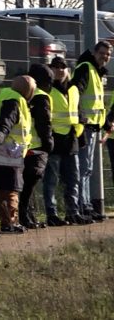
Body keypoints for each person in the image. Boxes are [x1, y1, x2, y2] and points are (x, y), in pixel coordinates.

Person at [0, 75, 36, 234]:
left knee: (5, 189)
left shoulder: (9, 97)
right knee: (11, 189)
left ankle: (8, 222)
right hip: (7, 152)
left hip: (4, 151)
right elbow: (6, 122)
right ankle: (10, 223)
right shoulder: (16, 102)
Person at [45, 56, 90, 226]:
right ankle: (52, 213)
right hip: (55, 140)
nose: (60, 70)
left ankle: (73, 212)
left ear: (67, 70)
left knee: (73, 180)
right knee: (52, 181)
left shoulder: (73, 89)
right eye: (56, 67)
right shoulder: (47, 89)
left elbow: (78, 114)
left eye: (63, 67)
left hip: (71, 140)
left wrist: (80, 135)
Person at [71, 41, 111, 221]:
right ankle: (81, 205)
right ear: (95, 53)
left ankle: (85, 205)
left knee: (87, 168)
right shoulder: (86, 68)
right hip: (85, 126)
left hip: (93, 126)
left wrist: (104, 124)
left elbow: (96, 104)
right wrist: (80, 116)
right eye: (103, 53)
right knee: (83, 168)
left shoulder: (96, 71)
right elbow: (76, 92)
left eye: (108, 54)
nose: (105, 57)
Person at [19, 64, 54, 229]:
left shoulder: (24, 94)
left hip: (23, 145)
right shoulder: (41, 96)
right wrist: (49, 143)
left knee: (24, 185)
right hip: (37, 145)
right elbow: (44, 123)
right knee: (29, 185)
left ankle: (28, 216)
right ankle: (25, 217)